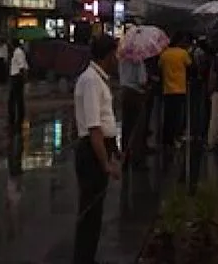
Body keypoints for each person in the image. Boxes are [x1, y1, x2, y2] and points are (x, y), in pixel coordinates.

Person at [74, 35, 122, 264]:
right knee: (90, 213)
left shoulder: (99, 79)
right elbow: (94, 128)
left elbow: (105, 121)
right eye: (116, 54)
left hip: (101, 148)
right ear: (108, 55)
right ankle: (83, 258)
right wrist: (105, 164)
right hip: (91, 153)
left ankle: (87, 256)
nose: (118, 58)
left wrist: (115, 150)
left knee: (95, 213)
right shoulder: (91, 81)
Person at [118, 46, 149, 168]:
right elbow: (142, 80)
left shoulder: (122, 57)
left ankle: (124, 157)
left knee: (126, 126)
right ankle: (137, 160)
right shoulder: (138, 59)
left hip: (125, 91)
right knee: (138, 127)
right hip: (136, 93)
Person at [158, 35, 192, 148]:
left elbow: (160, 67)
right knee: (177, 116)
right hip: (180, 88)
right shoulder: (183, 53)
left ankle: (165, 139)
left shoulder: (164, 54)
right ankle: (175, 138)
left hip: (167, 89)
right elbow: (190, 65)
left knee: (168, 115)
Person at [8, 40, 29, 132]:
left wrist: (23, 79)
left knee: (16, 99)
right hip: (16, 77)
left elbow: (22, 67)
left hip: (16, 77)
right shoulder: (18, 52)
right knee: (15, 98)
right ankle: (16, 116)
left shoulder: (18, 52)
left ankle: (17, 117)